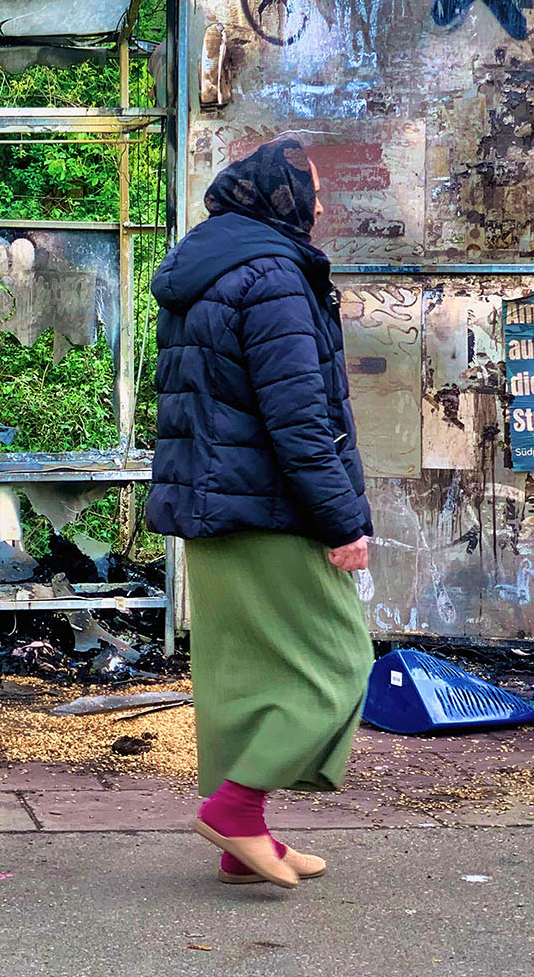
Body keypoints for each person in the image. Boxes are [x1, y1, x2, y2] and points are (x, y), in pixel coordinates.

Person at [146, 136, 372, 890]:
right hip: (269, 507)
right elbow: (299, 419)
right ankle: (238, 812)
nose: (320, 203)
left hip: (213, 507)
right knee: (340, 662)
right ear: (280, 195)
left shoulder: (207, 267)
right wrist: (342, 521)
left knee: (243, 674)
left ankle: (243, 839)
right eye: (311, 187)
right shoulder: (273, 273)